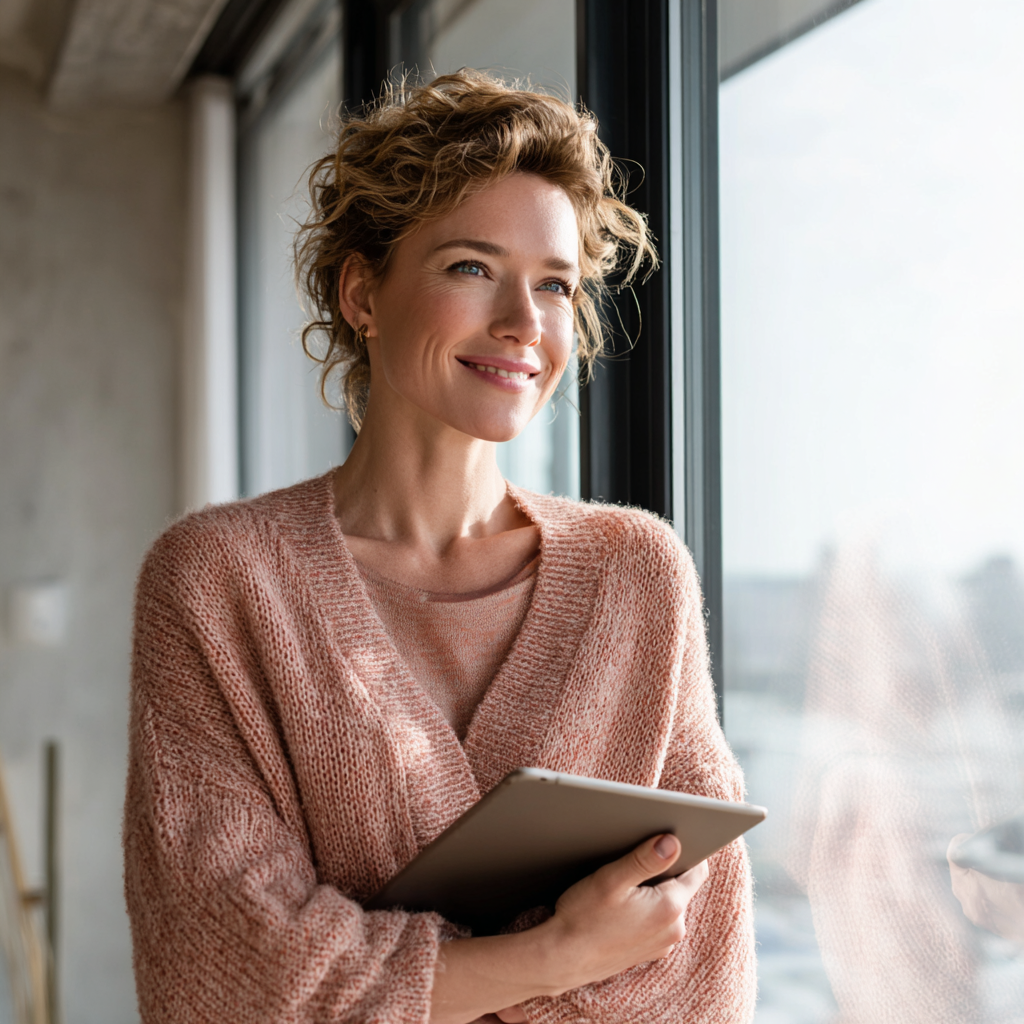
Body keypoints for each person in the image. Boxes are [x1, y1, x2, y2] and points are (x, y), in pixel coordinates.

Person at [123, 70, 755, 1024]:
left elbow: (699, 973)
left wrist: (400, 975)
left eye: (554, 286)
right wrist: (557, 953)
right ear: (362, 292)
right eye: (472, 267)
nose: (522, 325)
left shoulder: (639, 575)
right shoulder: (220, 581)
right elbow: (220, 971)